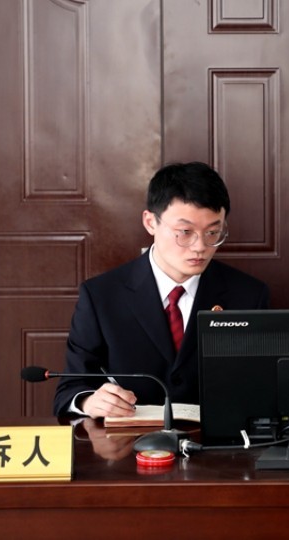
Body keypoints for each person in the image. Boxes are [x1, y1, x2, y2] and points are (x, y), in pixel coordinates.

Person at [53, 162, 270, 418]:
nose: (200, 246)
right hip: (130, 438)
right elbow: (70, 389)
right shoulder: (101, 296)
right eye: (185, 232)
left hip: (218, 438)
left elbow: (263, 387)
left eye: (213, 232)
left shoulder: (249, 295)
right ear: (150, 222)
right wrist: (88, 401)